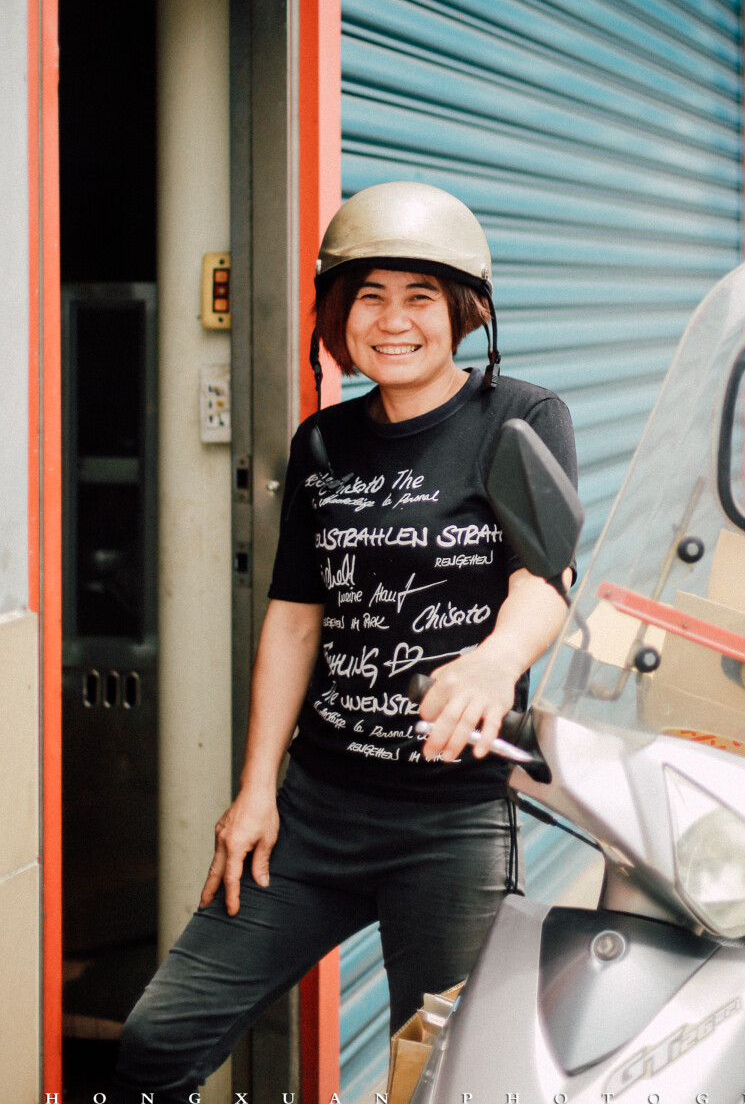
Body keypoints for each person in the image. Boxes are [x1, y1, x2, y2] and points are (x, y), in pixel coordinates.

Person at [110, 181, 577, 1103]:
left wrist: (492, 662)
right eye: (369, 296)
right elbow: (294, 616)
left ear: (464, 313)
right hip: (316, 811)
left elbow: (545, 581)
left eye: (418, 297)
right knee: (157, 1042)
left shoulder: (518, 418)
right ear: (337, 314)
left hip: (452, 823)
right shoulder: (323, 443)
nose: (392, 320)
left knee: (447, 1075)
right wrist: (254, 794)